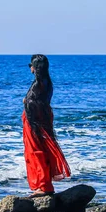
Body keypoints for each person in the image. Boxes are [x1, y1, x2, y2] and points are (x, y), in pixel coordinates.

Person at [22, 54, 71, 197]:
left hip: (35, 120)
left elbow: (35, 102)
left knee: (36, 151)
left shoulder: (39, 84)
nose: (30, 67)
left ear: (35, 67)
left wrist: (26, 101)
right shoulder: (46, 82)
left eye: (31, 65)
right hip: (42, 118)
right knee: (41, 149)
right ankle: (43, 185)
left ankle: (43, 186)